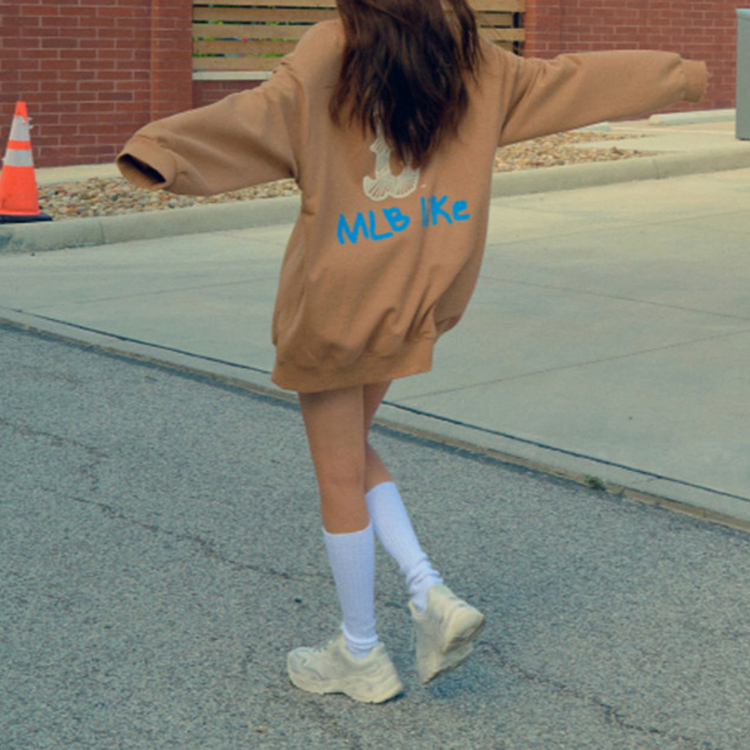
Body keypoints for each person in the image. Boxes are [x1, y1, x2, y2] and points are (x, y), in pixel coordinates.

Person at [116, 0, 707, 704]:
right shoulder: (472, 59)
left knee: (338, 472)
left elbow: (258, 117)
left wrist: (161, 151)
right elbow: (571, 80)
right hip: (420, 288)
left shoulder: (332, 48)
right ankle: (428, 593)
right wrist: (680, 75)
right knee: (354, 445)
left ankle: (361, 650)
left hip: (339, 302)